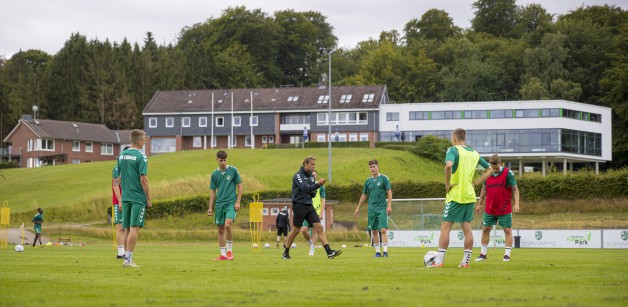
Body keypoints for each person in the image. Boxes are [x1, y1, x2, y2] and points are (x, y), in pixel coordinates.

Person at [430, 128, 492, 269]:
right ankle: (465, 262)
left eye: (452, 137)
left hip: (455, 194)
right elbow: (489, 169)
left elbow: (448, 166)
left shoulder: (453, 150)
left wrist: (447, 184)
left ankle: (439, 261)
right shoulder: (474, 153)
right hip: (470, 195)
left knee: (445, 227)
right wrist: (476, 183)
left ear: (455, 138)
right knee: (467, 228)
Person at [282, 156, 341, 259]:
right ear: (305, 164)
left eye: (314, 165)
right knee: (296, 230)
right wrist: (318, 185)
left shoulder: (312, 177)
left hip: (309, 205)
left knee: (319, 227)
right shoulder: (298, 176)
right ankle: (285, 252)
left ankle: (329, 252)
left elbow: (312, 194)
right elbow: (306, 188)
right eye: (311, 165)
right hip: (299, 205)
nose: (313, 167)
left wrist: (315, 188)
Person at [475, 154, 520, 262]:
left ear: (500, 163)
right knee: (485, 229)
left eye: (496, 168)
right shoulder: (487, 172)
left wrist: (517, 203)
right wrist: (479, 203)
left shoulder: (507, 173)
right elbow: (484, 189)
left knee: (507, 230)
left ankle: (507, 255)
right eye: (492, 167)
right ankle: (483, 254)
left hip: (504, 208)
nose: (494, 170)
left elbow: (515, 189)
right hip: (490, 208)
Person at [118, 130, 151, 268]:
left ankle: (126, 259)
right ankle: (128, 260)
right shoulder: (141, 156)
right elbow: (143, 178)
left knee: (126, 229)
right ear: (139, 141)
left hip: (126, 197)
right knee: (134, 228)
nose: (144, 143)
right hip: (137, 197)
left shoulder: (122, 155)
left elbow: (119, 178)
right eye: (144, 140)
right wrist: (148, 198)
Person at [208, 150, 243, 261]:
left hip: (230, 203)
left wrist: (238, 202)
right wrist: (210, 207)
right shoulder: (214, 174)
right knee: (220, 229)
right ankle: (223, 255)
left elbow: (240, 187)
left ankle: (229, 251)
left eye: (225, 160)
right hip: (219, 205)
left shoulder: (233, 170)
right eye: (221, 160)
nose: (223, 162)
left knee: (227, 225)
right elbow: (213, 191)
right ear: (217, 160)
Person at [354, 160, 392, 257]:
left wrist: (389, 206)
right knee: (374, 231)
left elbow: (389, 192)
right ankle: (378, 252)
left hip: (382, 208)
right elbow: (364, 195)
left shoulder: (384, 178)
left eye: (374, 166)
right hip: (371, 209)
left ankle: (385, 252)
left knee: (383, 230)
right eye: (370, 167)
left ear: (377, 167)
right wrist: (358, 208)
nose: (372, 169)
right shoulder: (368, 181)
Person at [301, 172, 326, 256]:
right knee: (304, 229)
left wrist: (321, 213)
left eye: (314, 175)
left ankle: (312, 248)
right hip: (306, 210)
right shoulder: (305, 185)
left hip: (316, 211)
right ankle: (311, 243)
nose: (313, 176)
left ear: (316, 176)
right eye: (312, 175)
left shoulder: (320, 186)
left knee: (316, 231)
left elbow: (323, 200)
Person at [112, 146, 129, 259]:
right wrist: (120, 200)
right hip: (119, 201)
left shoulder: (130, 168)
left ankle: (125, 251)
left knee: (127, 227)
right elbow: (116, 185)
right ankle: (120, 252)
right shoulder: (117, 168)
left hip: (129, 200)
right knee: (120, 227)